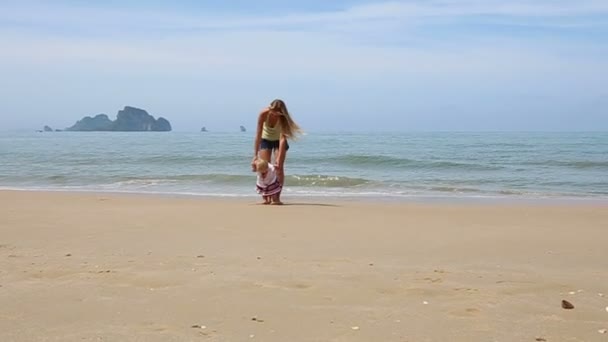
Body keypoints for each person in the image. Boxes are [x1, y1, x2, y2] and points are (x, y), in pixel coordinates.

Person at [251, 99, 302, 202]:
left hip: (279, 141)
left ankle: (276, 197)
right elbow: (258, 134)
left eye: (277, 113)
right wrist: (255, 155)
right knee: (265, 167)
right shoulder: (263, 114)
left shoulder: (283, 117)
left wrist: (278, 158)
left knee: (279, 167)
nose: (275, 115)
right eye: (273, 112)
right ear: (270, 108)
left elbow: (283, 138)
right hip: (265, 139)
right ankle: (266, 196)